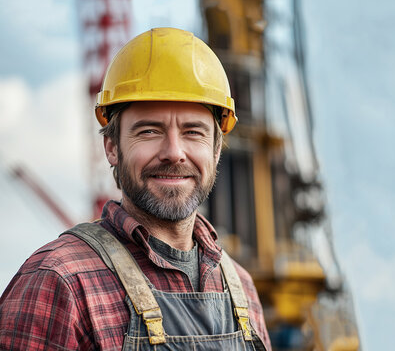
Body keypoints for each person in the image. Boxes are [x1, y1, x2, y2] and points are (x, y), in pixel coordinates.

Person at [0, 28, 271, 350]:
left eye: (193, 132)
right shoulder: (59, 281)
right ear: (112, 147)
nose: (174, 151)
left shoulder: (240, 286)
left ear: (215, 150)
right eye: (149, 131)